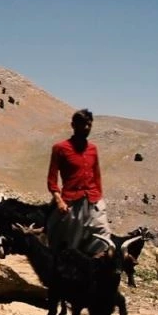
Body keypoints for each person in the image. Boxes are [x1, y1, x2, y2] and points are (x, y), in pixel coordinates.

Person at [46, 108, 114, 256]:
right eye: (83, 124)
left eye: (89, 124)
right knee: (72, 241)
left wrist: (100, 198)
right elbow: (52, 179)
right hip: (72, 200)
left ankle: (95, 267)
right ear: (73, 125)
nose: (86, 128)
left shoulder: (93, 149)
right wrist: (59, 201)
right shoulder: (60, 148)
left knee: (103, 233)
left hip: (94, 199)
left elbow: (97, 175)